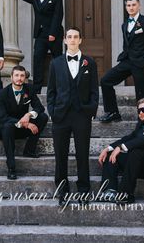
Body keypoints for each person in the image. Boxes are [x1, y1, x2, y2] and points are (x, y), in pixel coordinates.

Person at [47, 27, 99, 205]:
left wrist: (91, 110)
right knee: (60, 156)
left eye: (76, 37)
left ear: (80, 40)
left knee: (82, 154)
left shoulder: (89, 62)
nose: (72, 40)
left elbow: (94, 90)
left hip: (82, 115)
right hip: (60, 116)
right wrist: (52, 112)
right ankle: (62, 192)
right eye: (69, 37)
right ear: (64, 40)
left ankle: (84, 191)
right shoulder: (56, 63)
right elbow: (51, 91)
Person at [99, 0, 144, 123]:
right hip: (128, 61)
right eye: (128, 5)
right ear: (126, 7)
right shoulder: (125, 24)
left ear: (139, 6)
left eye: (133, 5)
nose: (131, 8)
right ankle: (113, 112)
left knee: (142, 94)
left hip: (142, 63)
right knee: (106, 80)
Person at [98, 98, 144, 204]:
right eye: (139, 111)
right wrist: (109, 148)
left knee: (136, 151)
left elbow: (143, 140)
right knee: (111, 154)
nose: (141, 112)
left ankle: (125, 194)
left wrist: (120, 147)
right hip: (140, 165)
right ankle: (109, 191)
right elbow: (130, 138)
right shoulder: (141, 125)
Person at [0, 65, 48, 180]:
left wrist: (28, 115)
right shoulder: (1, 94)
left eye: (22, 76)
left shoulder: (29, 89)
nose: (19, 78)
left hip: (21, 128)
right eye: (17, 75)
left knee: (43, 117)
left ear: (25, 78)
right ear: (11, 77)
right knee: (7, 127)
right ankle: (11, 168)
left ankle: (29, 150)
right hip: (7, 128)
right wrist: (27, 124)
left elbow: (40, 108)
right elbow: (2, 117)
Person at [17, 0, 64, 94]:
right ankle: (37, 88)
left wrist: (53, 33)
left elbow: (58, 15)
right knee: (38, 59)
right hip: (40, 34)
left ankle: (59, 87)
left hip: (54, 34)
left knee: (57, 60)